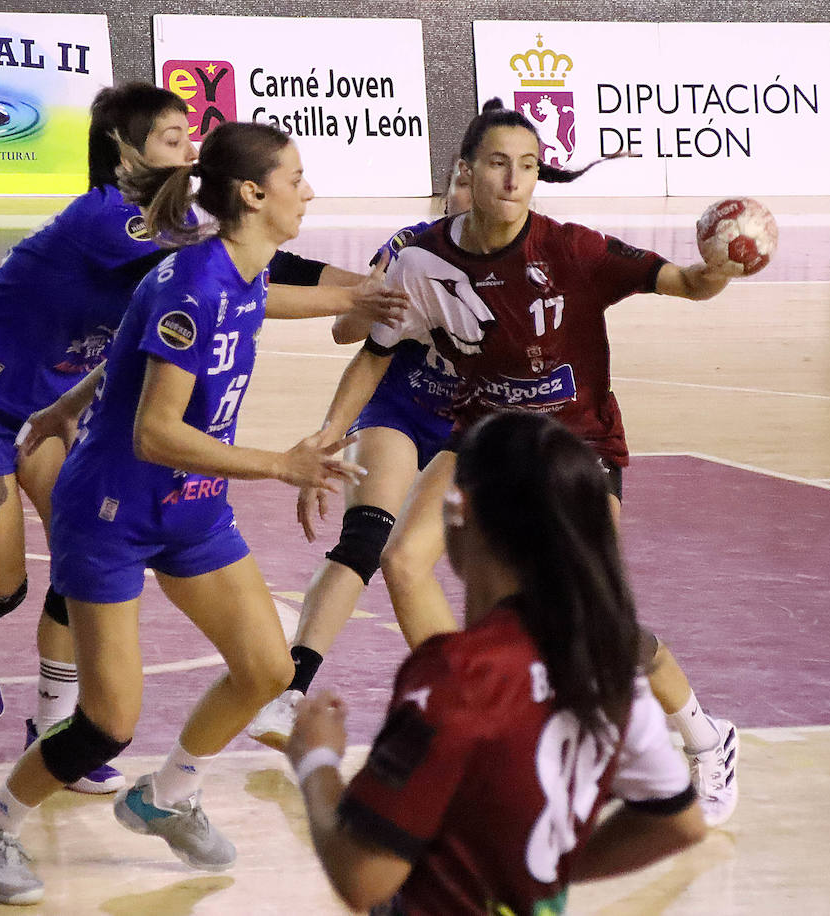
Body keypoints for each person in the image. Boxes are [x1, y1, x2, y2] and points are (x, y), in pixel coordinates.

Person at [0, 83, 405, 794]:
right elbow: (248, 281)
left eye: (192, 137)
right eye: (174, 137)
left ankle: (52, 724)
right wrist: (361, 293)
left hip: (53, 401)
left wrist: (372, 289)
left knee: (79, 561)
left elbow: (258, 272)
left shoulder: (179, 222)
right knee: (4, 582)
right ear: (123, 148)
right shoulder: (113, 221)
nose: (192, 151)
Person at [300, 99, 749, 827]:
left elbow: (690, 284)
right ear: (467, 172)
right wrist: (329, 434)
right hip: (486, 440)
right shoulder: (423, 261)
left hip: (577, 448)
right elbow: (372, 352)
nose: (514, 180)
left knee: (587, 617)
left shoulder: (574, 249)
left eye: (529, 167)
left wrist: (719, 266)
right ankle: (469, 722)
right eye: (499, 164)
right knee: (405, 562)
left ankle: (706, 734)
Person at [286, 411, 707, 915]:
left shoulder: (458, 673)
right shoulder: (609, 664)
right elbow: (680, 822)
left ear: (457, 510)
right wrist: (537, 869)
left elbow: (363, 877)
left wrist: (316, 761)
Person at [246, 163, 472, 749]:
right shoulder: (411, 246)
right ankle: (289, 693)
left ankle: (476, 700)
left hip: (474, 419)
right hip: (401, 402)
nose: (467, 194)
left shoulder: (531, 261)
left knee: (463, 559)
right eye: (460, 180)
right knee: (366, 539)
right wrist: (380, 304)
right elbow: (346, 333)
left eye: (484, 178)